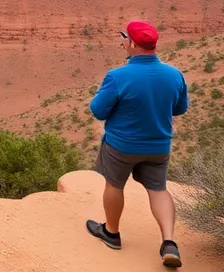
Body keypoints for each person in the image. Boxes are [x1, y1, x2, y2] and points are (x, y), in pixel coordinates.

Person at [86, 20, 189, 268]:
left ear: (132, 43)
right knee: (158, 189)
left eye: (123, 37)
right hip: (158, 146)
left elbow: (98, 111)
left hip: (122, 146)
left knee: (114, 184)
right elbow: (180, 108)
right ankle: (169, 242)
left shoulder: (118, 76)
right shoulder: (174, 75)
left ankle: (111, 233)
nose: (121, 40)